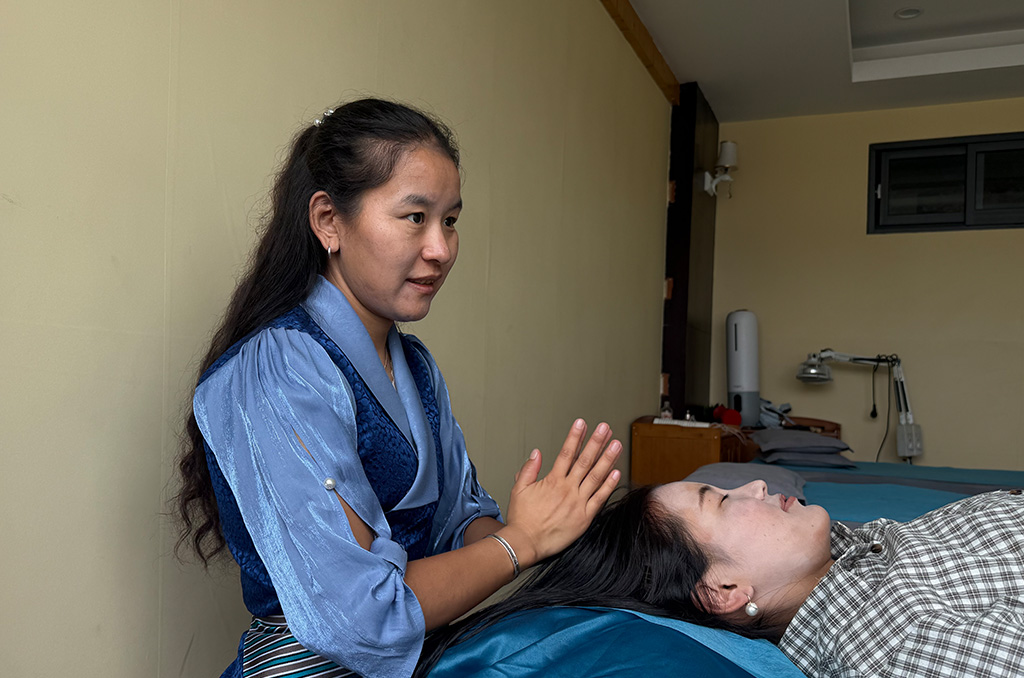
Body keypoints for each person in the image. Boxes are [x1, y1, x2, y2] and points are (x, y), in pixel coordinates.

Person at [173, 98, 623, 678]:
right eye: (415, 217)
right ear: (328, 221)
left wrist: (552, 527)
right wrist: (521, 545)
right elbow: (362, 613)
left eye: (451, 220)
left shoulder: (415, 365)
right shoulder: (278, 369)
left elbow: (458, 525)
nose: (440, 249)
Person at [417, 480, 1024, 677]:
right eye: (722, 497)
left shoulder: (851, 552)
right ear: (726, 591)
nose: (757, 484)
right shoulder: (894, 646)